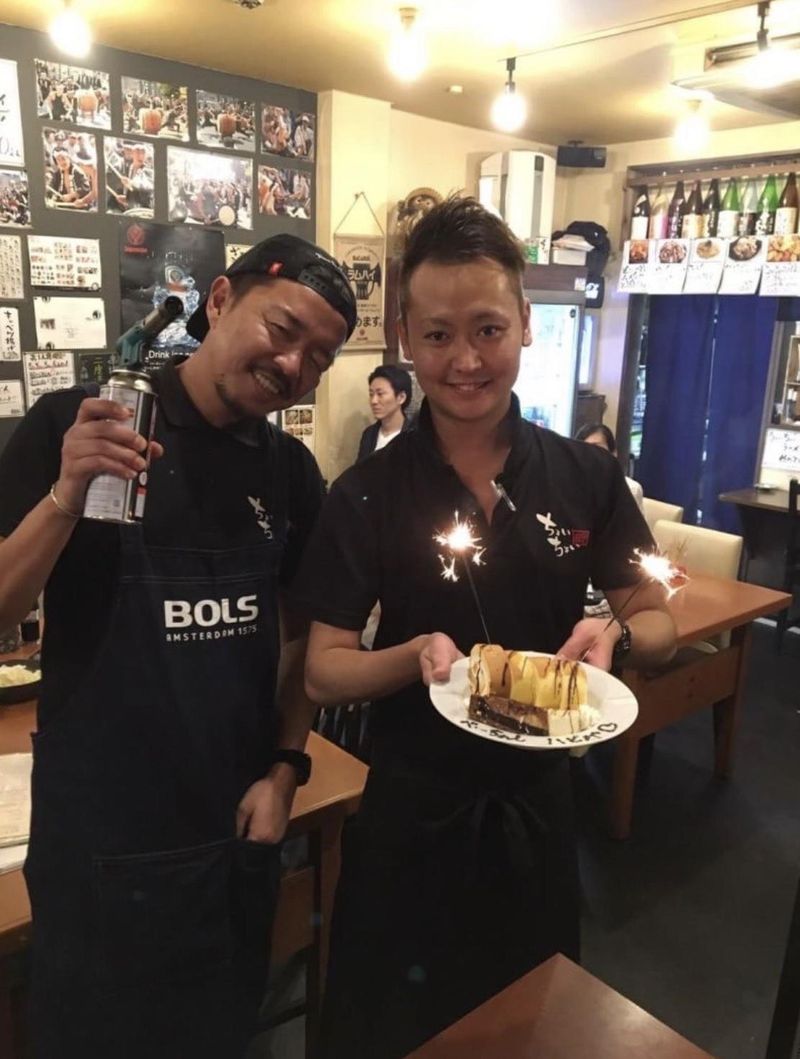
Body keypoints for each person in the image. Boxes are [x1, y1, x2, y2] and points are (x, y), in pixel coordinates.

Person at [291, 197, 677, 1058]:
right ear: (405, 336)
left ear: (526, 325)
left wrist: (617, 636)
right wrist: (413, 655)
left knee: (529, 1030)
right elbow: (322, 670)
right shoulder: (366, 492)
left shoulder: (584, 476)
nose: (465, 360)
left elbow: (658, 624)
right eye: (437, 335)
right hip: (409, 818)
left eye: (488, 329)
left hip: (538, 813)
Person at [0, 234, 356, 1059]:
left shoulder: (290, 471)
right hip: (99, 840)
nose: (294, 364)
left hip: (230, 835)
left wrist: (285, 767)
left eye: (319, 357)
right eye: (283, 329)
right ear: (220, 300)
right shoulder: (82, 422)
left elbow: (302, 636)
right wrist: (65, 495)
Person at [575, 421, 645, 511]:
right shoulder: (569, 487)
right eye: (584, 449)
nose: (591, 454)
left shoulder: (631, 489)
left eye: (597, 448)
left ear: (613, 454)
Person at [356, 363, 413, 462]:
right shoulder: (369, 434)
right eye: (371, 394)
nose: (374, 401)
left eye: (380, 394)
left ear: (401, 397)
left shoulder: (414, 437)